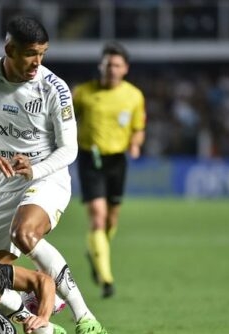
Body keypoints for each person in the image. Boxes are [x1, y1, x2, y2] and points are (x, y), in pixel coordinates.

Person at [0, 15, 107, 334]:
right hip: (7, 183)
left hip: (46, 175)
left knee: (24, 233)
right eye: (30, 54)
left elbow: (69, 148)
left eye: (43, 54)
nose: (37, 62)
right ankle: (40, 328)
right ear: (9, 49)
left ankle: (84, 316)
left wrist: (35, 169)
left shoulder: (54, 88)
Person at [72, 41, 146, 298]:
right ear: (100, 66)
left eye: (116, 65)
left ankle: (96, 252)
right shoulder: (82, 93)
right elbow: (64, 120)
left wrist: (135, 144)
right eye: (107, 64)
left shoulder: (134, 96)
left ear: (125, 68)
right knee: (98, 216)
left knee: (112, 219)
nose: (111, 69)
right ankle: (106, 278)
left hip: (117, 161)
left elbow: (138, 128)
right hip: (90, 158)